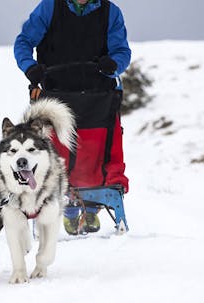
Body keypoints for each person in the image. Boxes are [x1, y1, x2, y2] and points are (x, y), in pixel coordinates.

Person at [13, 0, 131, 234]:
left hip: (97, 94)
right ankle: (70, 211)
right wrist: (29, 67)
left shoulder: (110, 12)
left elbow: (122, 51)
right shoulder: (49, 7)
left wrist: (114, 63)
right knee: (57, 152)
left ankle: (91, 209)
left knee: (94, 151)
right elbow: (24, 42)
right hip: (54, 93)